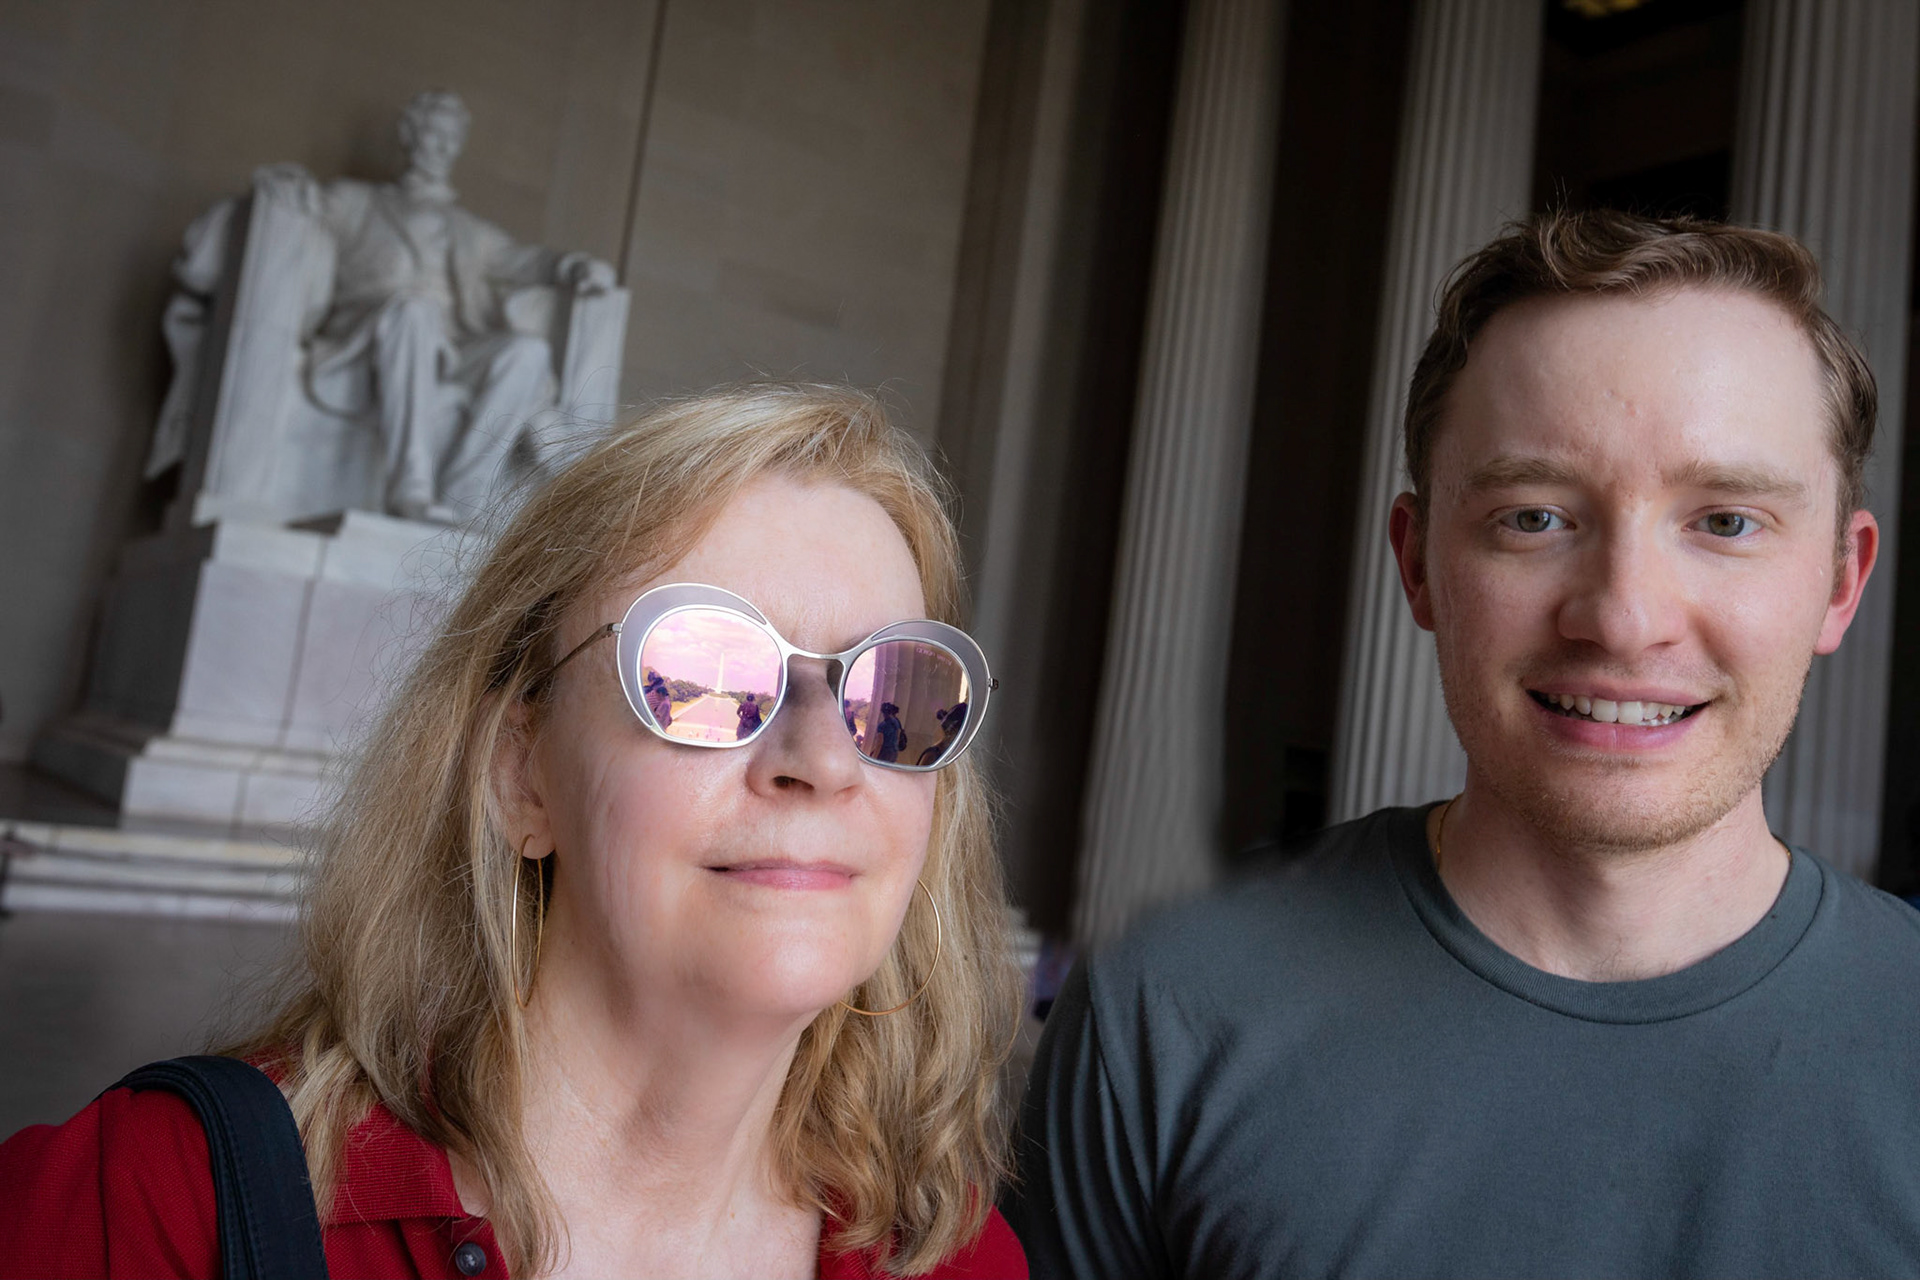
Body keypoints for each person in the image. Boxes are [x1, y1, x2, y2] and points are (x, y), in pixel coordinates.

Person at [1005, 210, 1920, 1278]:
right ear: (1419, 565)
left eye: (1726, 522)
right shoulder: (1163, 1009)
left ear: (1841, 582)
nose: (1623, 618)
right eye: (1533, 517)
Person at [0, 384, 1025, 1278]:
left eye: (897, 690)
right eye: (705, 672)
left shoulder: (958, 1260)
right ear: (519, 770)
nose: (826, 759)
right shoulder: (147, 1207)